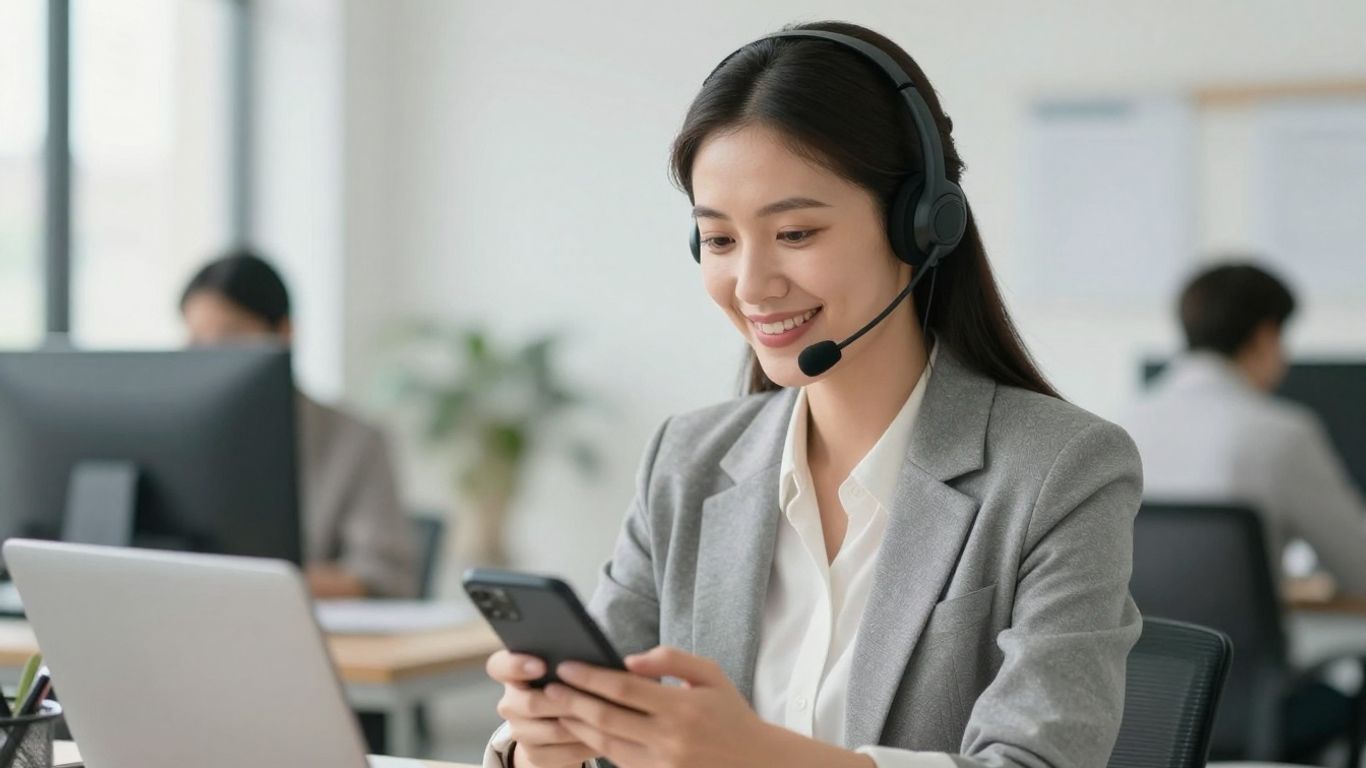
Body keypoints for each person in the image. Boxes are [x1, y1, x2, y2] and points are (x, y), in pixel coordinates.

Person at [483, 21, 1143, 768]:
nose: (752, 285)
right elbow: (611, 721)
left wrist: (756, 757)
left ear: (920, 227)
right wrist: (548, 742)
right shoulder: (687, 460)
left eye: (795, 233)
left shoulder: (1063, 470)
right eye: (721, 241)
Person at [180, 251, 418, 599]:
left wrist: (242, 584)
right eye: (196, 341)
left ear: (283, 333)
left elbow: (385, 576)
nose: (211, 356)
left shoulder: (354, 441)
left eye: (230, 334)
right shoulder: (181, 436)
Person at [1123, 262, 1366, 593]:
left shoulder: (1119, 425)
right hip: (1244, 645)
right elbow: (1359, 567)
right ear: (1266, 336)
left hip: (1144, 645)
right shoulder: (1282, 434)